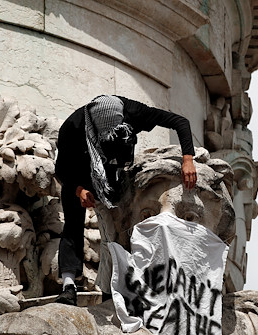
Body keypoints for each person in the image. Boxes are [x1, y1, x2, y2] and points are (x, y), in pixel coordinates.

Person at [54, 95, 197, 305]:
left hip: (114, 171)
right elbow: (61, 170)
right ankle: (68, 286)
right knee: (73, 225)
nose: (108, 137)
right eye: (105, 135)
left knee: (117, 231)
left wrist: (188, 159)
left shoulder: (134, 112)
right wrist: (79, 190)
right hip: (78, 174)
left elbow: (180, 122)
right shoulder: (72, 127)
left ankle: (116, 285)